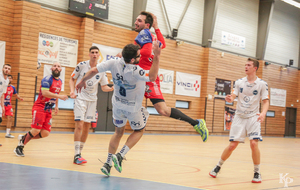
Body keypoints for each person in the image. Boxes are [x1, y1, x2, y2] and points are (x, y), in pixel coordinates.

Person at [76, 42, 161, 176]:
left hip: (118, 105)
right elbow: (152, 77)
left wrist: (82, 81)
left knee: (118, 132)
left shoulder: (114, 62)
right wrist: (156, 56)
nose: (140, 57)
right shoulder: (136, 71)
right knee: (139, 130)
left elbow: (93, 71)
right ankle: (120, 155)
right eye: (138, 56)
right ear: (132, 60)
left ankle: (107, 163)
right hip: (133, 108)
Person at [133, 11, 208, 141]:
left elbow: (162, 44)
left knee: (163, 111)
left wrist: (156, 27)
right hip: (139, 78)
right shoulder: (144, 37)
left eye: (139, 20)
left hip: (150, 79)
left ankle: (196, 123)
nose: (136, 22)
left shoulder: (147, 36)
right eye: (136, 20)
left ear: (147, 24)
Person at [209, 58, 269, 183]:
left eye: (249, 65)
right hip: (239, 117)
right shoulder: (239, 82)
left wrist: (263, 113)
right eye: (245, 65)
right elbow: (233, 96)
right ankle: (218, 166)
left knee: (254, 144)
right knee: (232, 145)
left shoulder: (262, 84)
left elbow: (265, 101)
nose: (246, 67)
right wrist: (230, 98)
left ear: (255, 68)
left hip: (253, 117)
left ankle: (257, 172)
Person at [69, 46, 114, 165]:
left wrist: (114, 88)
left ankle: (80, 152)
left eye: (96, 53)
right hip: (80, 98)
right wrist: (72, 91)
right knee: (79, 124)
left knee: (87, 127)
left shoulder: (102, 69)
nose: (94, 54)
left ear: (99, 55)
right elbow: (72, 78)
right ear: (89, 54)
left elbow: (104, 87)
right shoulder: (82, 65)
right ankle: (76, 154)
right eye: (92, 52)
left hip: (93, 101)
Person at [14, 62, 68, 157]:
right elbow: (45, 93)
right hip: (40, 107)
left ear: (61, 69)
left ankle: (24, 137)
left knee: (45, 133)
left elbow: (55, 94)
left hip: (48, 109)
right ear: (51, 69)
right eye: (54, 66)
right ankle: (20, 147)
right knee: (36, 130)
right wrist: (59, 96)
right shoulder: (47, 79)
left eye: (58, 66)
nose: (56, 67)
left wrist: (56, 106)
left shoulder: (60, 81)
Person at [0, 64, 11, 145]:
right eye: (5, 68)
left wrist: (3, 106)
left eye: (8, 69)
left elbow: (3, 94)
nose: (7, 70)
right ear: (2, 69)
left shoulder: (7, 80)